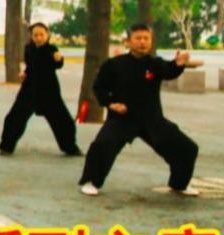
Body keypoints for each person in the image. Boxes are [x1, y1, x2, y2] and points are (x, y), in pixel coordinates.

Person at [78, 23, 200, 197]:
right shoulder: (114, 64)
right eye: (138, 38)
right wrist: (111, 104)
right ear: (128, 41)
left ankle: (179, 184)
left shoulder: (155, 64)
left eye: (146, 38)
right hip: (122, 118)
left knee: (187, 148)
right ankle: (91, 181)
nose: (143, 42)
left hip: (152, 119)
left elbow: (169, 71)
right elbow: (99, 87)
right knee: (102, 145)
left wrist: (179, 64)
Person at [0, 23, 80, 156]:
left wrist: (59, 59)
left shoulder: (51, 49)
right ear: (31, 36)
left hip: (49, 89)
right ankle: (6, 146)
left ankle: (70, 147)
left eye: (42, 34)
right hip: (30, 88)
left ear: (47, 35)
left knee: (63, 120)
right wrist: (25, 72)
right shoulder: (28, 49)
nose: (39, 38)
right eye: (35, 35)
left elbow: (57, 64)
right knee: (15, 117)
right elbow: (30, 65)